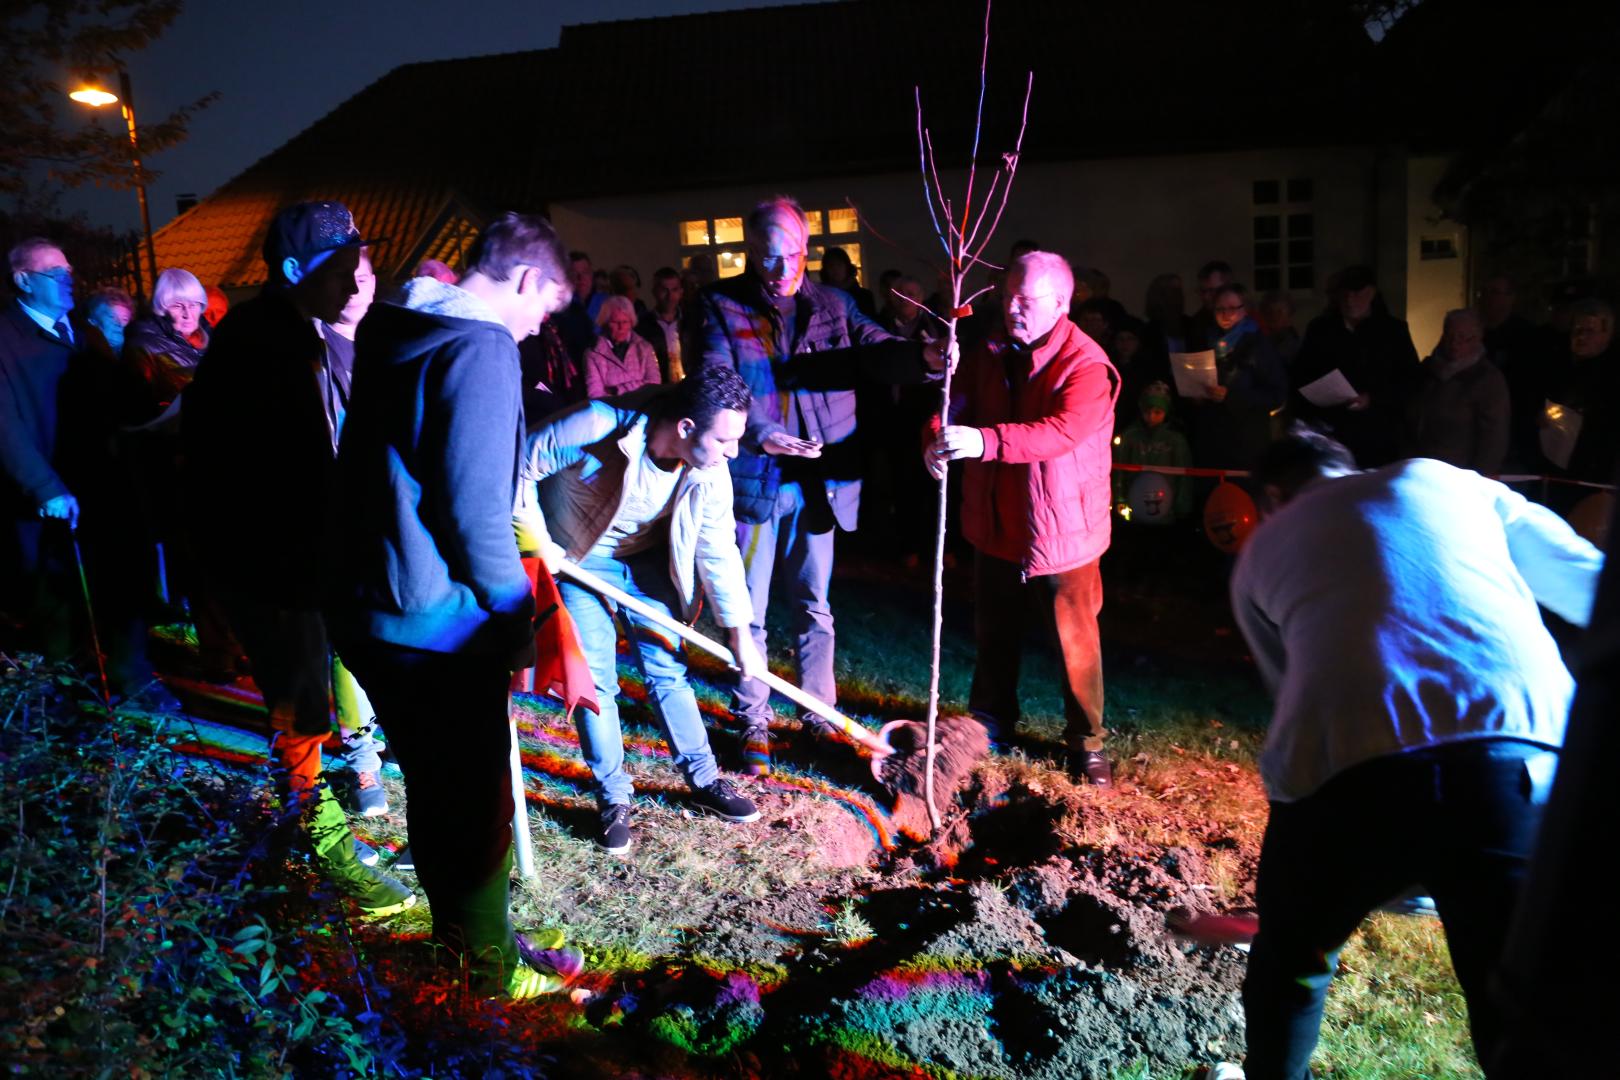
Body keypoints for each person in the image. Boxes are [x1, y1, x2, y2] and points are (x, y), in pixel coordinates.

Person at [1229, 427, 1603, 1080]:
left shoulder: (1259, 551)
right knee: (1515, 1000)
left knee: (1290, 965)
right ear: (1350, 465)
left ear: (1271, 498)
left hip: (1345, 773)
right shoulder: (1447, 481)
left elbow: (1292, 691)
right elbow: (1586, 583)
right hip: (1515, 754)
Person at [328, 211, 573, 998]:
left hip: (374, 602)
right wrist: (515, 619)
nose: (539, 328)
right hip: (438, 620)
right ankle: (485, 979)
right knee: (470, 802)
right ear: (529, 280)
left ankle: (476, 939)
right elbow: (475, 514)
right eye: (547, 309)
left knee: (438, 791)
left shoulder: (395, 324)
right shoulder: (481, 345)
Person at [183, 202, 414, 918]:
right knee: (300, 705)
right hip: (268, 562)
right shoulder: (260, 341)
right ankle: (323, 848)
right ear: (292, 272)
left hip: (307, 557)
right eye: (340, 268)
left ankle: (320, 831)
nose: (356, 282)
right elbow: (277, 469)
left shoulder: (316, 334)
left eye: (358, 265)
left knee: (320, 693)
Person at [699, 196, 948, 770]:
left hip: (821, 485)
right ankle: (753, 721)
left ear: (806, 251)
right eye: (765, 258)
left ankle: (819, 716)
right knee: (749, 611)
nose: (779, 270)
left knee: (815, 605)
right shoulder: (719, 305)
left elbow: (878, 349)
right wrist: (759, 431)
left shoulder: (834, 304)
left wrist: (927, 358)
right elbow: (716, 375)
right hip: (756, 481)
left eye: (788, 256)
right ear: (749, 253)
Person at [513, 366, 764, 854]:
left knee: (668, 669)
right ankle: (613, 797)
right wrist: (538, 542)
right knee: (597, 680)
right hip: (579, 559)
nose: (734, 452)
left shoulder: (711, 469)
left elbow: (718, 550)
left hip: (648, 563)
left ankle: (706, 779)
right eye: (725, 439)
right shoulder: (594, 424)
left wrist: (740, 637)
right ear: (686, 427)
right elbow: (516, 467)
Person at [925, 250, 1119, 785]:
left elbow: (1060, 431)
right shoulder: (989, 349)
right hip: (996, 519)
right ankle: (991, 720)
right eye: (1008, 296)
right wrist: (936, 437)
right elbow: (956, 401)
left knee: (1074, 641)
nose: (1013, 308)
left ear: (1061, 303)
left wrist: (982, 441)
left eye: (1026, 300)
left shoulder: (1085, 365)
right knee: (994, 630)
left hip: (1062, 530)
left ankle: (1087, 743)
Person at [315, 247, 390, 817]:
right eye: (347, 279)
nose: (356, 289)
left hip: (392, 507)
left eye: (364, 278)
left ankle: (395, 732)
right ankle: (363, 760)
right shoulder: (312, 351)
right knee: (346, 636)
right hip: (341, 510)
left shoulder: (389, 339)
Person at [1, 238, 81, 660]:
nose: (68, 280)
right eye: (56, 273)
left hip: (87, 484)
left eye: (69, 272)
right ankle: (58, 694)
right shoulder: (5, 339)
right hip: (39, 497)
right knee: (50, 598)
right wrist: (44, 485)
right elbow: (4, 423)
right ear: (24, 280)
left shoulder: (79, 332)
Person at [1290, 265, 1420, 467]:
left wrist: (1373, 398)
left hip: (1377, 435)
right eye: (1345, 294)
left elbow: (1410, 380)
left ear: (1372, 293)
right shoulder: (1321, 329)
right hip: (1331, 432)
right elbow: (1301, 375)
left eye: (1358, 294)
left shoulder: (1392, 331)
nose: (1350, 301)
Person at [1189, 283, 1288, 475]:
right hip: (1212, 441)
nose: (1226, 314)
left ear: (1245, 310)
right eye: (1220, 309)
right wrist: (1197, 394)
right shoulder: (1206, 341)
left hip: (1246, 444)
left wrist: (1232, 395)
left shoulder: (1259, 345)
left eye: (1233, 308)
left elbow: (1277, 395)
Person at [1410, 308, 1510, 475]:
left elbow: (1494, 440)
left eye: (1464, 338)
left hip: (1459, 476)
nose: (1455, 344)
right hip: (1420, 470)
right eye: (1450, 336)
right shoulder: (1427, 371)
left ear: (1478, 338)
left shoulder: (1487, 380)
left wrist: (1479, 480)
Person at [1543, 299, 1619, 483]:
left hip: (1597, 472)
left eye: (1589, 331)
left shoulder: (1613, 375)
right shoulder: (1561, 365)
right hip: (1558, 464)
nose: (1581, 337)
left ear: (1606, 334)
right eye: (1577, 330)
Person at [126, 268, 210, 407]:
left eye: (194, 304)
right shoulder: (143, 347)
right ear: (161, 307)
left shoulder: (209, 337)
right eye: (177, 306)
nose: (187, 314)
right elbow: (138, 405)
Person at [1113, 381, 1192, 520]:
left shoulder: (1175, 439)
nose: (1151, 417)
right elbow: (1119, 468)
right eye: (1147, 412)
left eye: (1157, 412)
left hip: (1167, 510)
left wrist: (1182, 504)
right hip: (1134, 508)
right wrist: (1119, 498)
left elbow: (1184, 472)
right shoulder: (1130, 436)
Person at [584, 295, 661, 398]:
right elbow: (595, 395)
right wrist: (639, 384)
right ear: (605, 323)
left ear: (631, 322)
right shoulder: (593, 354)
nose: (621, 327)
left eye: (625, 322)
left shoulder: (645, 348)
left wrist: (617, 390)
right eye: (615, 322)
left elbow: (654, 384)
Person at [636, 266, 691, 384]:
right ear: (654, 292)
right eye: (664, 290)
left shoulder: (690, 323)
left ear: (681, 292)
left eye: (674, 290)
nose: (670, 296)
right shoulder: (643, 326)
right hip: (657, 389)